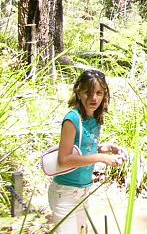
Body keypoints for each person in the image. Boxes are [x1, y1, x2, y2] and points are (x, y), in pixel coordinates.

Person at [48, 70, 127, 233]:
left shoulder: (94, 119)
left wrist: (108, 148)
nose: (94, 98)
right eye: (88, 93)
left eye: (99, 93)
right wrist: (100, 158)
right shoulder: (72, 119)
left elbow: (83, 149)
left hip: (83, 191)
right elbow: (64, 159)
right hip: (66, 192)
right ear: (78, 91)